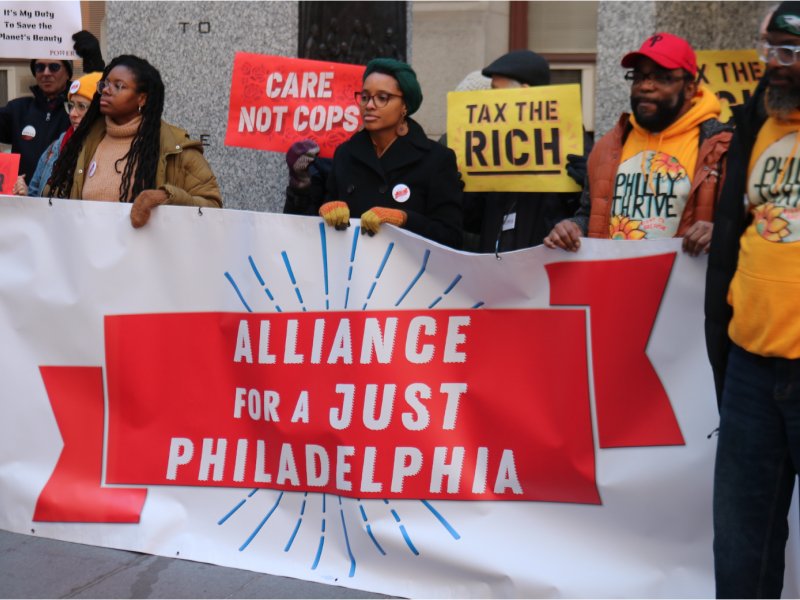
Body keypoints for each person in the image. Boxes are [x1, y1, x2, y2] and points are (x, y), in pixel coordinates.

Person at [705, 2, 800, 596]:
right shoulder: (754, 123)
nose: (775, 66)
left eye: (789, 53)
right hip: (751, 363)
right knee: (742, 539)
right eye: (768, 51)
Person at [543, 33, 732, 257]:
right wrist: (573, 228)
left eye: (660, 77)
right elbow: (590, 214)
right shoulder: (607, 147)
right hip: (615, 284)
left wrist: (723, 233)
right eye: (638, 77)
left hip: (686, 288)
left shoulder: (722, 147)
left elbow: (748, 222)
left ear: (689, 89)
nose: (645, 86)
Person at [44, 55, 222, 227]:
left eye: (118, 86)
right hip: (89, 254)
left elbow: (212, 207)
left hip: (148, 256)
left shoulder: (175, 147)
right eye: (105, 84)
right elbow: (60, 198)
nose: (106, 90)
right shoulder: (85, 141)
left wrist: (166, 197)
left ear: (142, 99)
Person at [318, 58, 463, 248]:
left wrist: (403, 219)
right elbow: (323, 228)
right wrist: (326, 210)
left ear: (405, 106)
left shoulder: (437, 159)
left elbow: (451, 237)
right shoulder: (345, 154)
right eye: (365, 97)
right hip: (353, 270)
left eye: (382, 98)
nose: (370, 105)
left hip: (409, 273)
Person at [460, 50, 593, 254]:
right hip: (496, 266)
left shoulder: (570, 139)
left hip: (546, 264)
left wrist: (587, 182)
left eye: (495, 91)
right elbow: (472, 220)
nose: (488, 98)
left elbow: (589, 215)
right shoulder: (490, 145)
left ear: (523, 93)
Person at [0, 31, 104, 186]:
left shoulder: (81, 111)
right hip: (21, 204)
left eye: (54, 67)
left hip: (64, 201)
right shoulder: (17, 109)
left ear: (68, 73)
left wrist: (94, 66)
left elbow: (104, 104)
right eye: (40, 67)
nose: (46, 73)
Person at [12, 72, 103, 198]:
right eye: (71, 106)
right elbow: (35, 197)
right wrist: (23, 192)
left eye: (82, 106)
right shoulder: (56, 147)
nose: (73, 114)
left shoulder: (107, 149)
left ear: (99, 110)